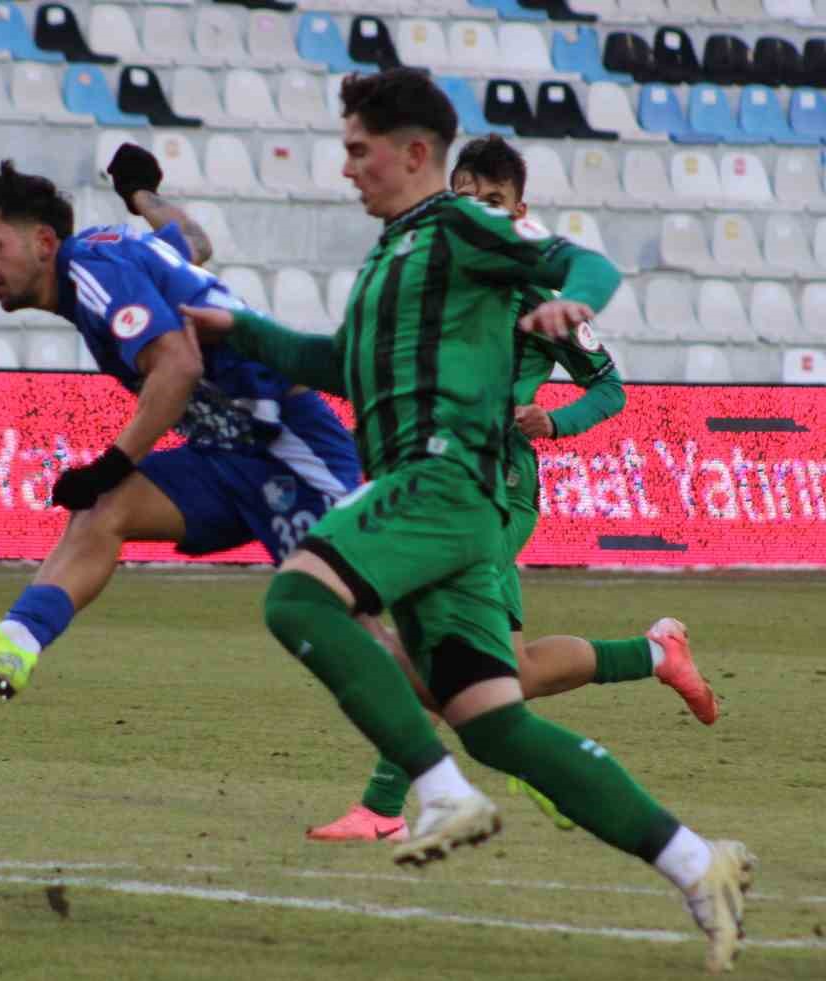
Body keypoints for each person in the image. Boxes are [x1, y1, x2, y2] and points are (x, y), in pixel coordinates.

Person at [180, 69, 753, 974]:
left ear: (414, 154)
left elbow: (585, 263)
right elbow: (337, 361)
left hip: (444, 481)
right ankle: (695, 862)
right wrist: (231, 328)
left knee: (298, 600)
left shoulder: (457, 224)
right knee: (496, 720)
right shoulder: (393, 254)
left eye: (358, 150)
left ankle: (436, 792)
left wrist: (576, 301)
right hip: (444, 498)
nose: (345, 170)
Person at [308, 135, 718, 845]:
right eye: (467, 199)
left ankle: (384, 806)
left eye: (493, 202)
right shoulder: (427, 285)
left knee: (441, 649)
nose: (478, 212)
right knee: (507, 672)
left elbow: (609, 387)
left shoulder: (534, 292)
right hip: (435, 481)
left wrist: (551, 422)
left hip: (497, 491)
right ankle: (651, 657)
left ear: (518, 210)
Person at [0, 151, 361, 700]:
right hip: (226, 457)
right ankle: (16, 639)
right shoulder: (113, 255)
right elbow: (194, 241)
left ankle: (482, 727)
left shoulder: (92, 270)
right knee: (103, 507)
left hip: (293, 451)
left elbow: (178, 366)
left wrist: (109, 465)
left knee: (359, 637)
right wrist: (142, 194)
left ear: (45, 243)